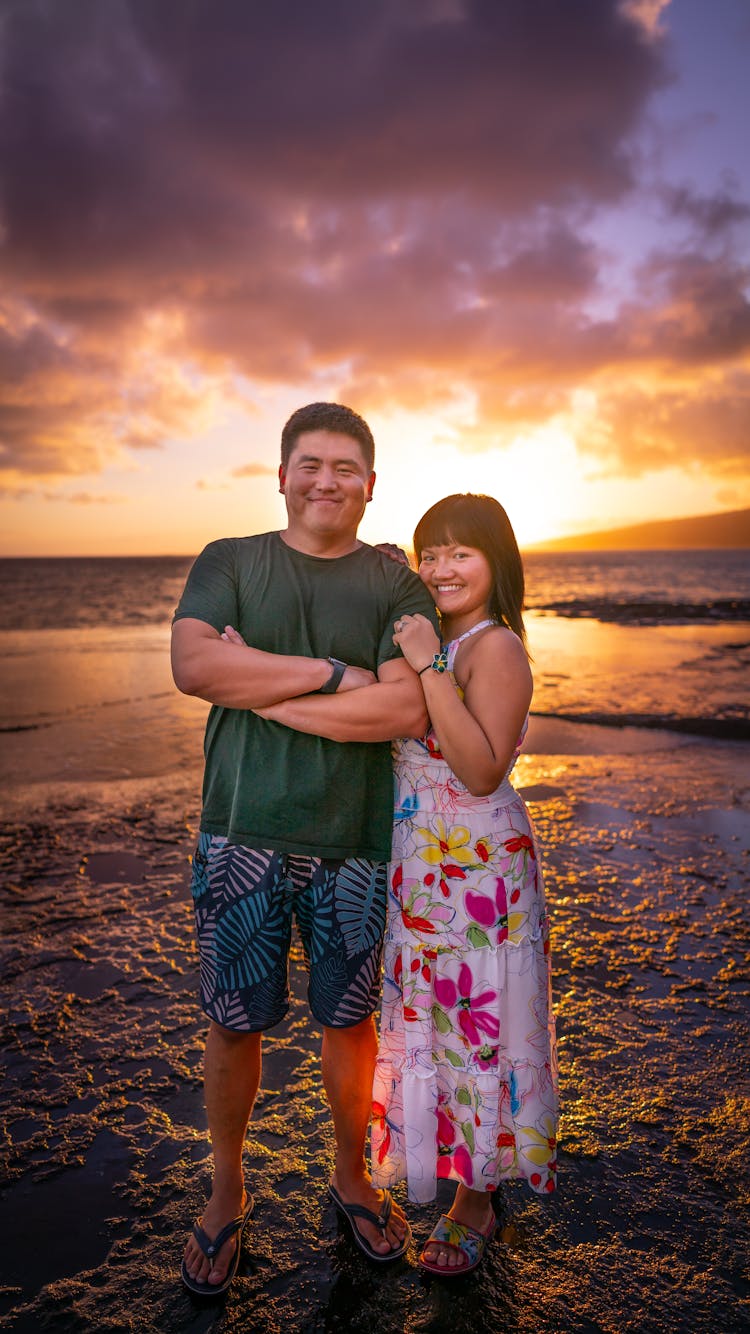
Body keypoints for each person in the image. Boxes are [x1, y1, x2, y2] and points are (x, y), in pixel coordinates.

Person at [171, 402, 438, 1295]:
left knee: (348, 1023)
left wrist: (267, 689)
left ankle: (352, 1178)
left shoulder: (394, 587)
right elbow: (196, 668)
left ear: (371, 484)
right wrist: (330, 675)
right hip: (240, 830)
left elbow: (402, 709)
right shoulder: (231, 560)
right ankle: (226, 1191)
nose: (327, 480)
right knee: (232, 1022)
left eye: (346, 467)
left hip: (353, 842)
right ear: (281, 474)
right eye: (310, 464)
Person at [371, 493, 558, 1276]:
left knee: (479, 1028)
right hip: (419, 859)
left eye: (461, 553)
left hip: (478, 869)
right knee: (436, 1024)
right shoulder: (429, 635)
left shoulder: (495, 647)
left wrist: (424, 661)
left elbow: (482, 771)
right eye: (430, 552)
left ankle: (476, 1199)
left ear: (496, 563)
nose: (442, 568)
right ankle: (450, 1167)